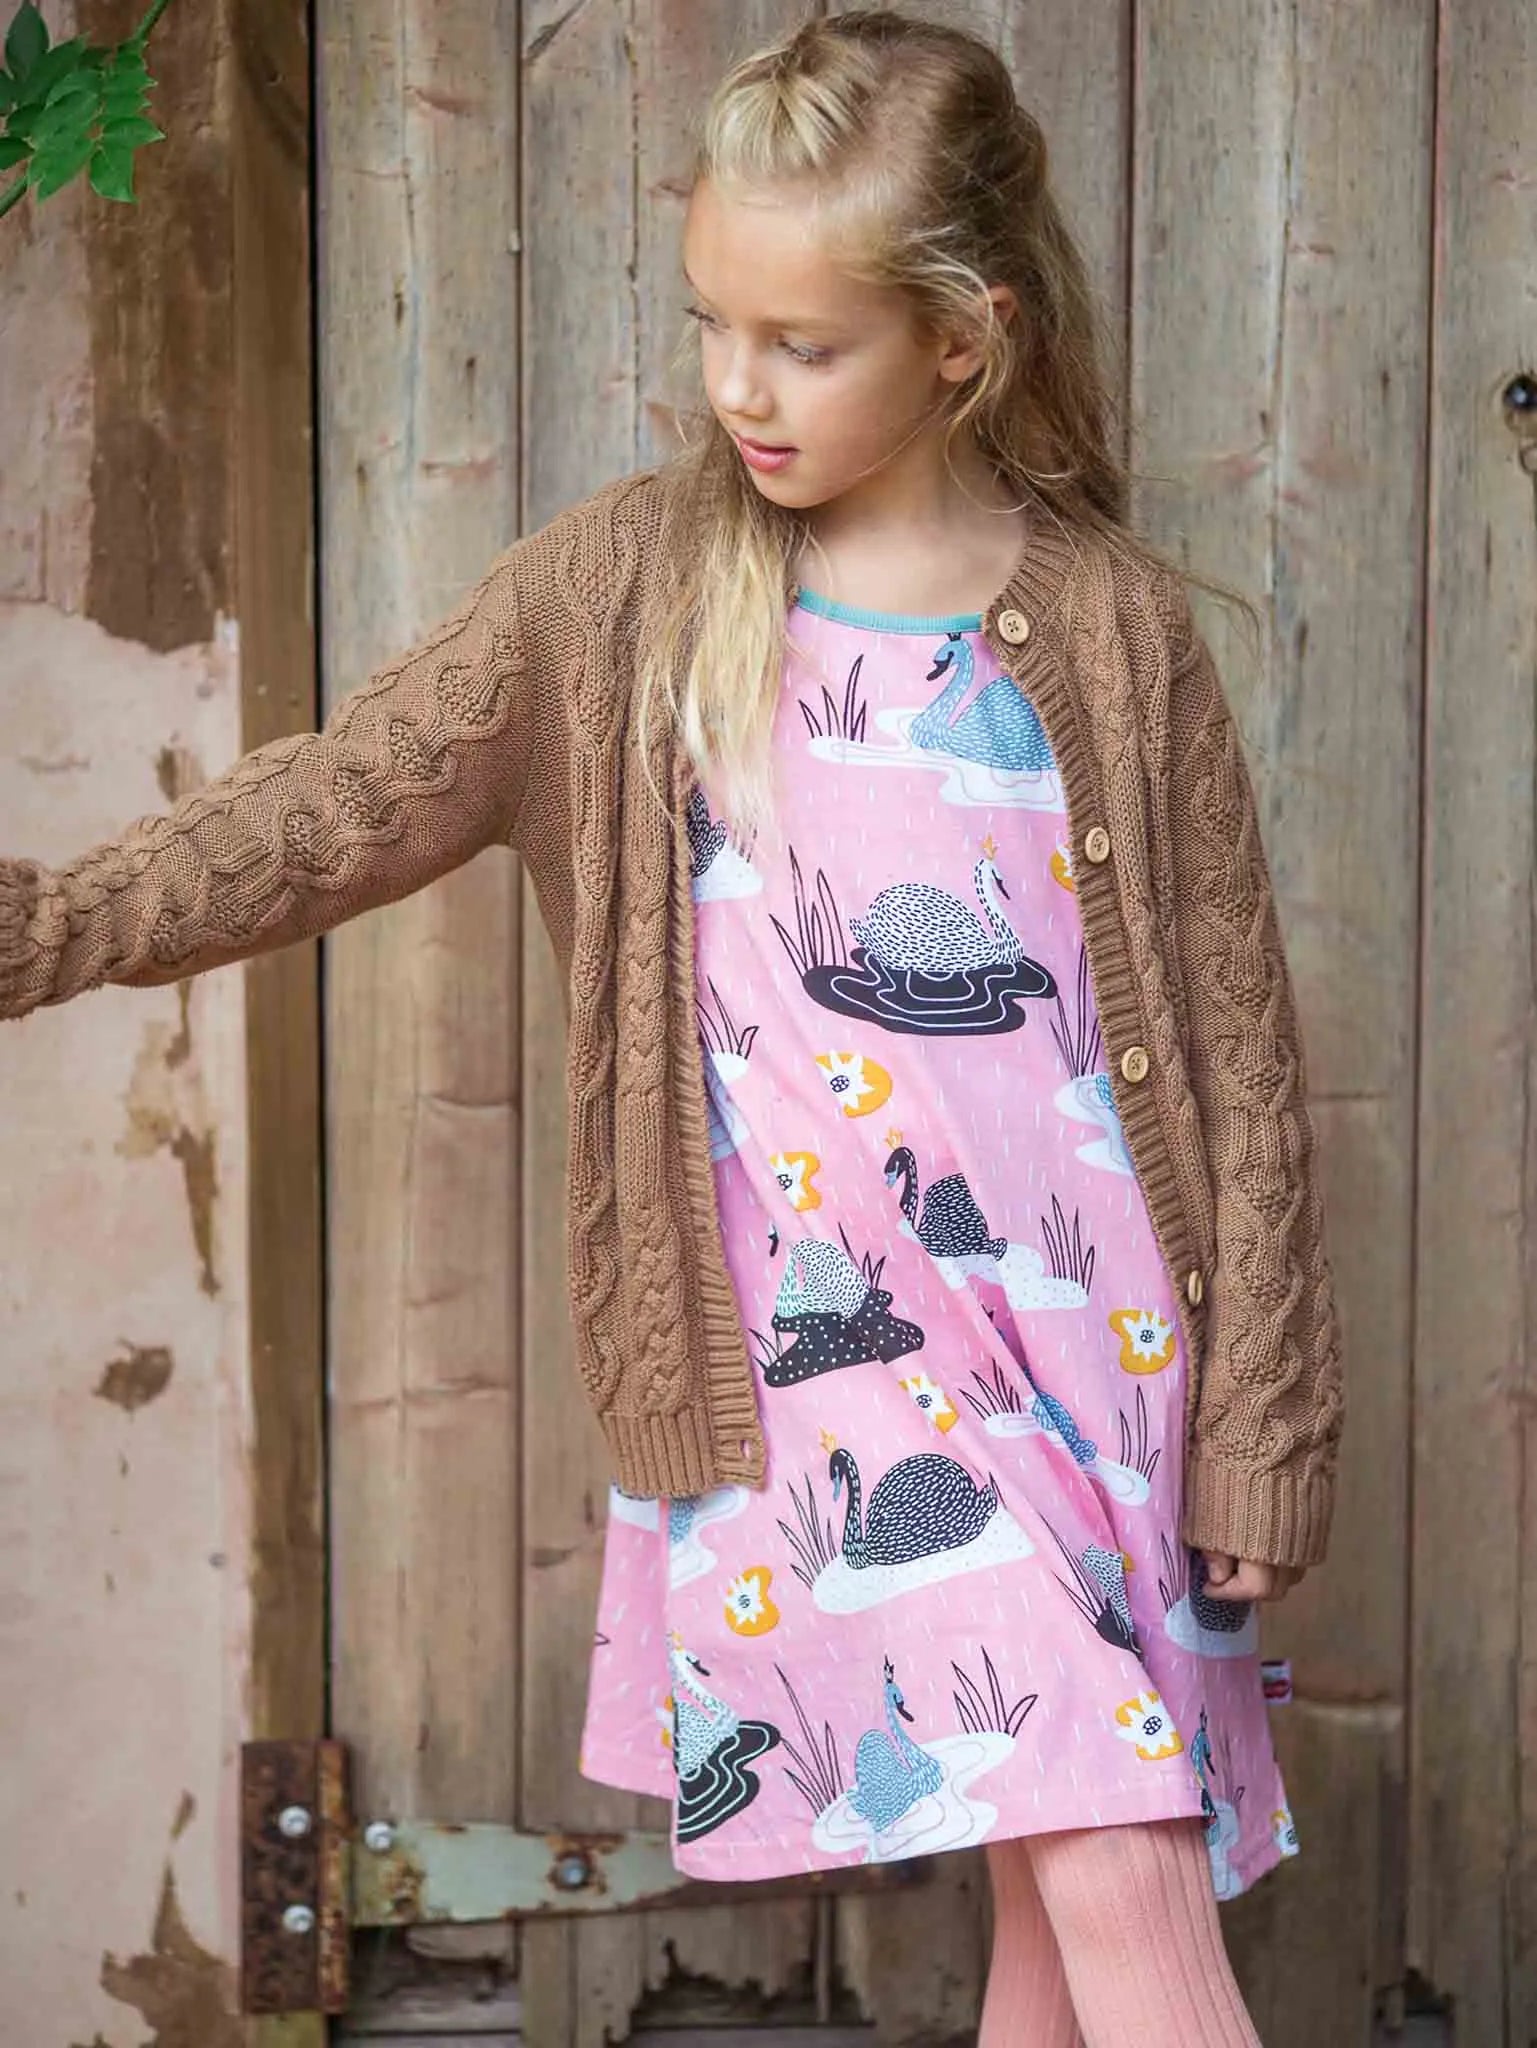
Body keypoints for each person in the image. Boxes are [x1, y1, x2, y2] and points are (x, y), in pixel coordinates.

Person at [1, 12, 1342, 2044]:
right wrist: (58, 920)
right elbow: (331, 807)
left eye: (804, 343)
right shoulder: (621, 595)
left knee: (1059, 1923)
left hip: (1101, 1362)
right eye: (717, 321)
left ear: (958, 344)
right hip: (842, 1364)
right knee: (1119, 1859)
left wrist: (1259, 1412)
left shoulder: (1111, 630)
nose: (739, 384)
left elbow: (1236, 1056)